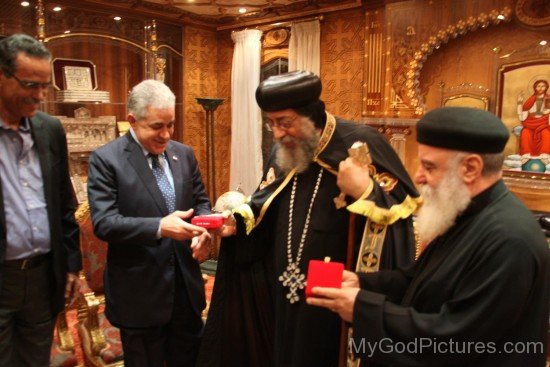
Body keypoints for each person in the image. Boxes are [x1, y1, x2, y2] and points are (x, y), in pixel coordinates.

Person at [198, 71, 420, 367]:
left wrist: (365, 191)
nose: (277, 134)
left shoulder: (360, 144)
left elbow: (399, 209)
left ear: (311, 115)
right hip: (284, 287)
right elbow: (266, 201)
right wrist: (237, 223)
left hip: (335, 292)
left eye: (285, 123)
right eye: (271, 123)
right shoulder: (286, 149)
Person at [308, 107, 550, 366]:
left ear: (470, 168)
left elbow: (457, 339)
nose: (418, 176)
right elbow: (419, 281)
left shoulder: (509, 240)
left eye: (429, 166)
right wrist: (360, 283)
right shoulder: (467, 213)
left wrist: (362, 308)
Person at [87, 79, 212, 367]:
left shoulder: (185, 154)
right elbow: (105, 223)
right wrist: (159, 227)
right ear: (132, 120)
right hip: (140, 294)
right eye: (157, 126)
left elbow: (200, 203)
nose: (166, 134)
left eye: (171, 125)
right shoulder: (106, 160)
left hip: (186, 289)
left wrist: (204, 231)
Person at [0, 33, 82, 366]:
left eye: (45, 86)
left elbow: (65, 203)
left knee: (35, 360)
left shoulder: (49, 129)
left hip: (42, 277)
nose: (40, 96)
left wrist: (72, 265)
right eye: (31, 85)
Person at [517, 79, 550, 156]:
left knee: (546, 133)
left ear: (546, 87)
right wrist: (519, 102)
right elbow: (522, 117)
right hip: (530, 123)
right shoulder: (531, 100)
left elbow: (547, 112)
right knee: (525, 133)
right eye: (538, 86)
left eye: (543, 86)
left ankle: (545, 155)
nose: (541, 88)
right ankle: (526, 155)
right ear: (535, 87)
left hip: (544, 124)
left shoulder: (548, 99)